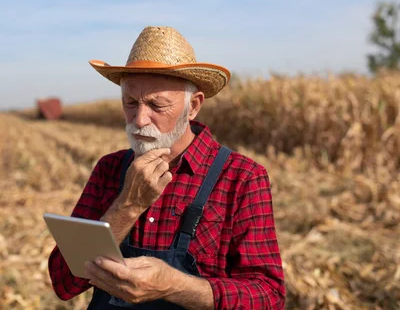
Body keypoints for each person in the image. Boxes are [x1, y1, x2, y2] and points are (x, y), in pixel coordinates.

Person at [47, 26, 286, 309]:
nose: (138, 119)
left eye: (156, 105)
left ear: (193, 106)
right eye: (130, 103)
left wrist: (176, 286)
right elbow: (64, 282)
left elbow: (268, 296)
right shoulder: (109, 169)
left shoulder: (242, 177)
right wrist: (128, 205)